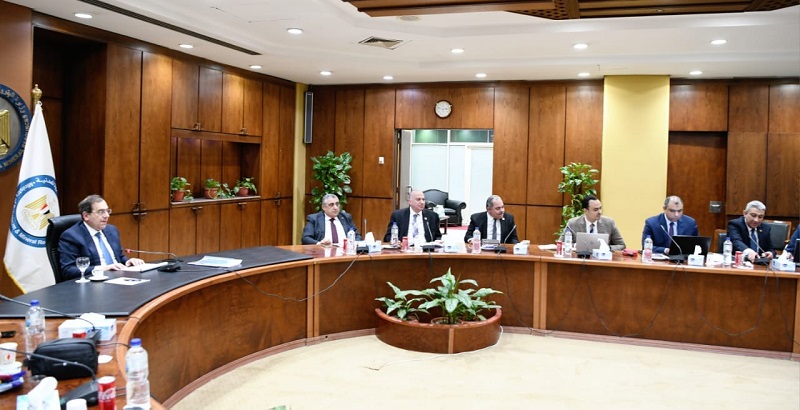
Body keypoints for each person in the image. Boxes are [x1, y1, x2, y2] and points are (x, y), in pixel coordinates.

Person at [58, 194, 144, 279]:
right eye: (101, 212)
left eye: (107, 211)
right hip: (95, 282)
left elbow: (119, 256)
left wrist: (128, 261)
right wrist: (103, 268)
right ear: (86, 216)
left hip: (119, 278)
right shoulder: (72, 236)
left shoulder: (112, 230)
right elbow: (68, 270)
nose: (107, 215)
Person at [559, 195, 626, 251]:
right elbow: (561, 243)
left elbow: (622, 245)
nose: (600, 212)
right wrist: (576, 246)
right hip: (580, 259)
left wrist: (608, 248)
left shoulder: (609, 223)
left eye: (600, 208)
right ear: (586, 211)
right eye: (595, 210)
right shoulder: (573, 223)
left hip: (602, 259)